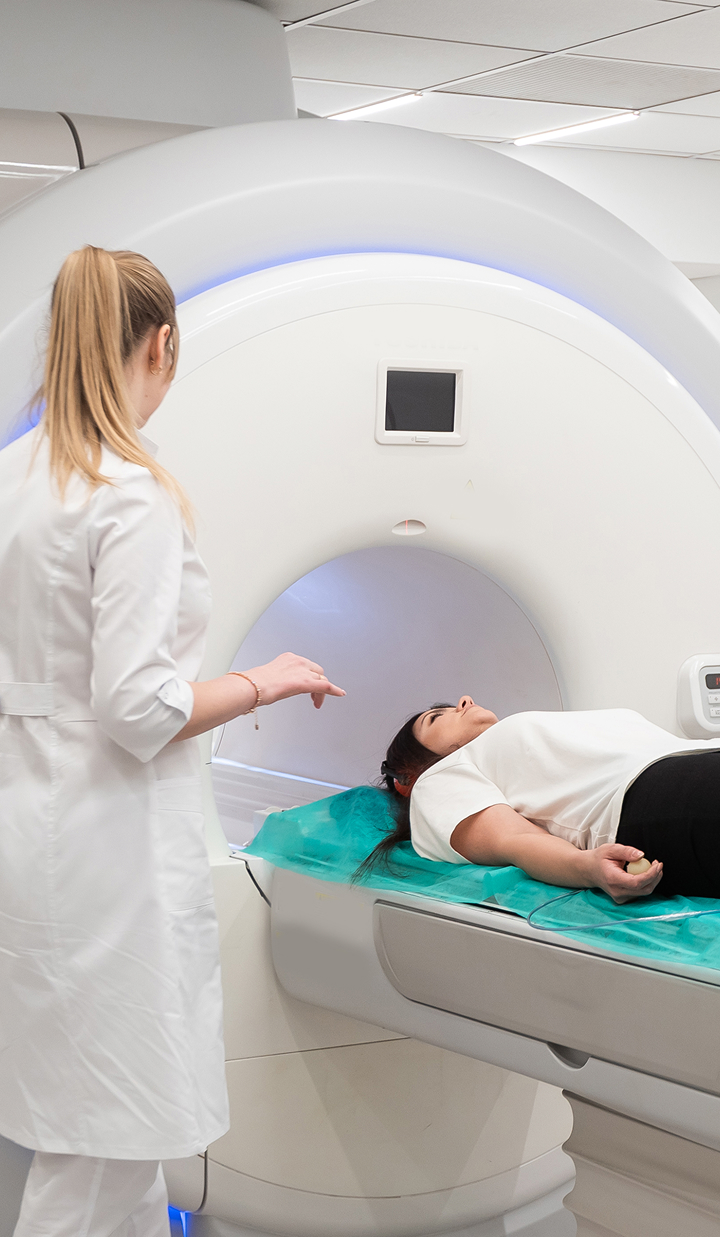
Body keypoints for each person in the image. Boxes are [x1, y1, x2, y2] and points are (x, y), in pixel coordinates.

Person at [0, 246, 344, 1237]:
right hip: (108, 850)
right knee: (104, 1152)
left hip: (36, 831)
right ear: (163, 344)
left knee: (109, 1146)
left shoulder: (20, 484)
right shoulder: (130, 496)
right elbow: (138, 707)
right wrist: (263, 680)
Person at [364, 696, 720, 903]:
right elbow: (514, 840)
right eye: (436, 717)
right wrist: (587, 868)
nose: (465, 701)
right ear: (406, 779)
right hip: (650, 797)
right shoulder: (437, 780)